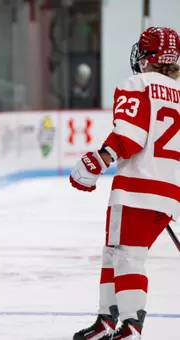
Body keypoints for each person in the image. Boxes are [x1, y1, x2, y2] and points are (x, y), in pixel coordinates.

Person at [70, 26, 180, 340]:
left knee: (127, 256)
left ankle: (130, 326)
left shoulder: (138, 83)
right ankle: (107, 320)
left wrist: (96, 162)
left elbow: (130, 137)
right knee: (114, 252)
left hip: (137, 188)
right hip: (170, 192)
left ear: (148, 56)